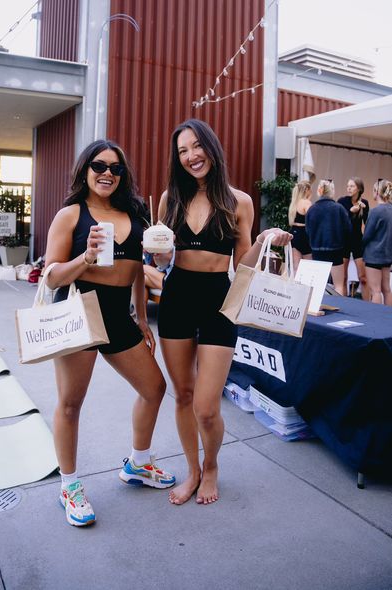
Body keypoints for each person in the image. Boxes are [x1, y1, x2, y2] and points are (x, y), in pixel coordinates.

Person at [153, 119, 292, 506]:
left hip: (220, 300)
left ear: (211, 148)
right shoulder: (170, 199)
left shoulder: (239, 201)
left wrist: (263, 240)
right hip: (177, 294)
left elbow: (243, 265)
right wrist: (160, 255)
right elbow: (163, 254)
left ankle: (211, 465)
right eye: (182, 151)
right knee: (182, 395)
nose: (191, 156)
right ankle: (192, 470)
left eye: (196, 146)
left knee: (206, 406)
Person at [44, 139, 175, 527]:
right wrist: (83, 258)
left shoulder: (134, 214)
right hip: (79, 311)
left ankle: (138, 463)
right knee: (71, 403)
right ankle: (69, 485)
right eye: (99, 165)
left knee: (154, 388)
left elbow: (137, 269)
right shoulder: (71, 215)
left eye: (116, 168)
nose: (107, 174)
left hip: (119, 315)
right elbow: (50, 275)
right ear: (85, 169)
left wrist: (138, 316)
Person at [306, 179, 351, 295]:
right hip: (335, 251)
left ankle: (317, 308)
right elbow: (348, 230)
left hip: (317, 251)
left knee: (317, 286)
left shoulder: (312, 209)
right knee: (339, 285)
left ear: (319, 191)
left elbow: (308, 230)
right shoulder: (339, 208)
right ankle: (338, 309)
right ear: (332, 191)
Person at [338, 178, 370, 299]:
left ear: (359, 189)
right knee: (343, 277)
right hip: (344, 241)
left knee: (363, 277)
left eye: (352, 186)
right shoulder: (342, 202)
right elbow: (340, 222)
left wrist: (364, 210)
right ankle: (345, 304)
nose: (349, 188)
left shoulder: (364, 203)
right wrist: (351, 211)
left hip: (357, 241)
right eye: (348, 186)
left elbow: (367, 223)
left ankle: (368, 305)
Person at [362, 179, 392, 305]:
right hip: (387, 254)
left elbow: (367, 235)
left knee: (376, 291)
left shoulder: (375, 211)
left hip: (374, 255)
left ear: (376, 192)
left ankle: (377, 320)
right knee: (387, 290)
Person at [288, 180, 312, 273]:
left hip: (294, 234)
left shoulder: (294, 202)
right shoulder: (306, 202)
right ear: (307, 190)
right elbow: (312, 219)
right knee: (308, 266)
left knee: (296, 267)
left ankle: (295, 286)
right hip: (304, 234)